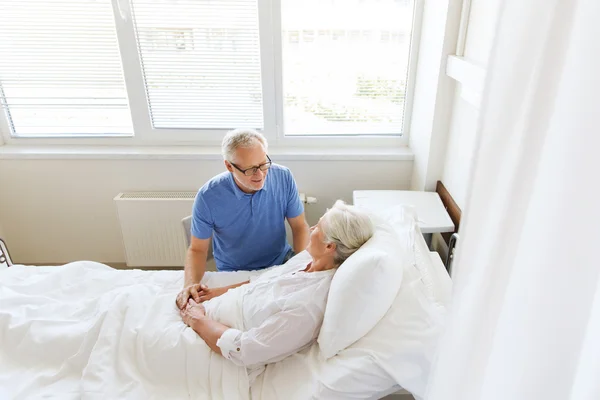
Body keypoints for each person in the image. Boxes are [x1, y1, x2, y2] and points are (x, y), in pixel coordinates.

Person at [179, 201, 374, 381]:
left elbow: (245, 349)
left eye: (318, 227)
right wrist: (216, 292)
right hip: (216, 309)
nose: (312, 228)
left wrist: (197, 320)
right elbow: (263, 281)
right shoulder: (307, 259)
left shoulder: (307, 306)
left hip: (215, 336)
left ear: (329, 246)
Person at [176, 129, 310, 310]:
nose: (260, 175)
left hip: (280, 262)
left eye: (263, 164)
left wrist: (300, 263)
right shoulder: (208, 196)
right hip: (235, 271)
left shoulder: (283, 177)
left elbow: (300, 227)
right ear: (229, 166)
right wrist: (190, 284)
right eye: (250, 169)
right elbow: (197, 249)